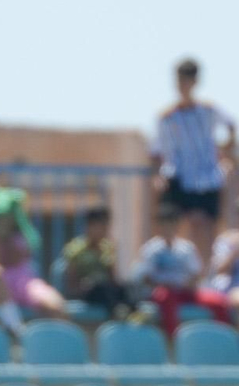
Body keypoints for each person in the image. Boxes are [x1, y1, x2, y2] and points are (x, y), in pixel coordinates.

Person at [150, 58, 236, 264]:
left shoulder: (208, 110)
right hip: (179, 178)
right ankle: (179, 274)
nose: (183, 85)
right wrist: (157, 176)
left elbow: (231, 126)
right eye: (180, 80)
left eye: (187, 80)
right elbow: (155, 151)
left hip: (207, 178)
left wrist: (224, 150)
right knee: (174, 226)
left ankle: (206, 276)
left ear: (195, 82)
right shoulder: (166, 117)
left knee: (207, 228)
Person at [0, 186, 66, 334]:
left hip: (24, 285)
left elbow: (14, 259)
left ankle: (63, 341)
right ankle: (16, 329)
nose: (3, 221)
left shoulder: (22, 237)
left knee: (53, 302)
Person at [132, 202, 234, 335]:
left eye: (171, 223)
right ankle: (173, 339)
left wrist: (185, 285)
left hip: (185, 292)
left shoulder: (186, 248)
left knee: (219, 302)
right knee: (166, 298)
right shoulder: (151, 249)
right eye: (164, 223)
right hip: (162, 294)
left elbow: (196, 275)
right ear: (158, 225)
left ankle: (223, 339)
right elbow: (146, 278)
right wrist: (167, 285)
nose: (168, 228)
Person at [60, 206, 133, 318]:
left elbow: (113, 278)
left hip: (106, 290)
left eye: (107, 226)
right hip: (88, 292)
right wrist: (84, 286)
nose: (105, 230)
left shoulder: (107, 248)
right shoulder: (76, 250)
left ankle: (133, 313)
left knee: (124, 288)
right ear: (90, 226)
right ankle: (119, 313)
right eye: (102, 226)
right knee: (100, 289)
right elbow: (71, 283)